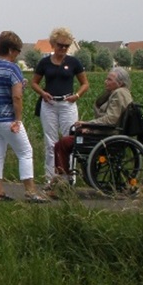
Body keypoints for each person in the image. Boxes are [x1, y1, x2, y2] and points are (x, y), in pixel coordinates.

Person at [0, 31, 48, 203]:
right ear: (11, 50)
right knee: (25, 152)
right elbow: (16, 97)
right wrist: (17, 120)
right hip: (7, 118)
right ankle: (30, 190)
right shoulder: (13, 68)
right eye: (18, 51)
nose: (18, 55)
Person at [52, 67, 134, 186]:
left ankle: (62, 180)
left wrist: (88, 124)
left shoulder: (119, 93)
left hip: (106, 135)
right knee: (67, 141)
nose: (105, 81)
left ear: (119, 83)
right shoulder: (120, 92)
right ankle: (63, 178)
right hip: (105, 133)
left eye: (109, 79)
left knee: (62, 144)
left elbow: (111, 120)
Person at [30, 27, 90, 184]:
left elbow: (84, 83)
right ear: (53, 44)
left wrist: (76, 95)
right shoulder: (44, 62)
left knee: (69, 141)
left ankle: (69, 179)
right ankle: (50, 179)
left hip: (67, 105)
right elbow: (34, 82)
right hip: (49, 104)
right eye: (60, 45)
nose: (63, 48)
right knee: (50, 142)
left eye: (66, 46)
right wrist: (42, 93)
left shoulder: (73, 62)